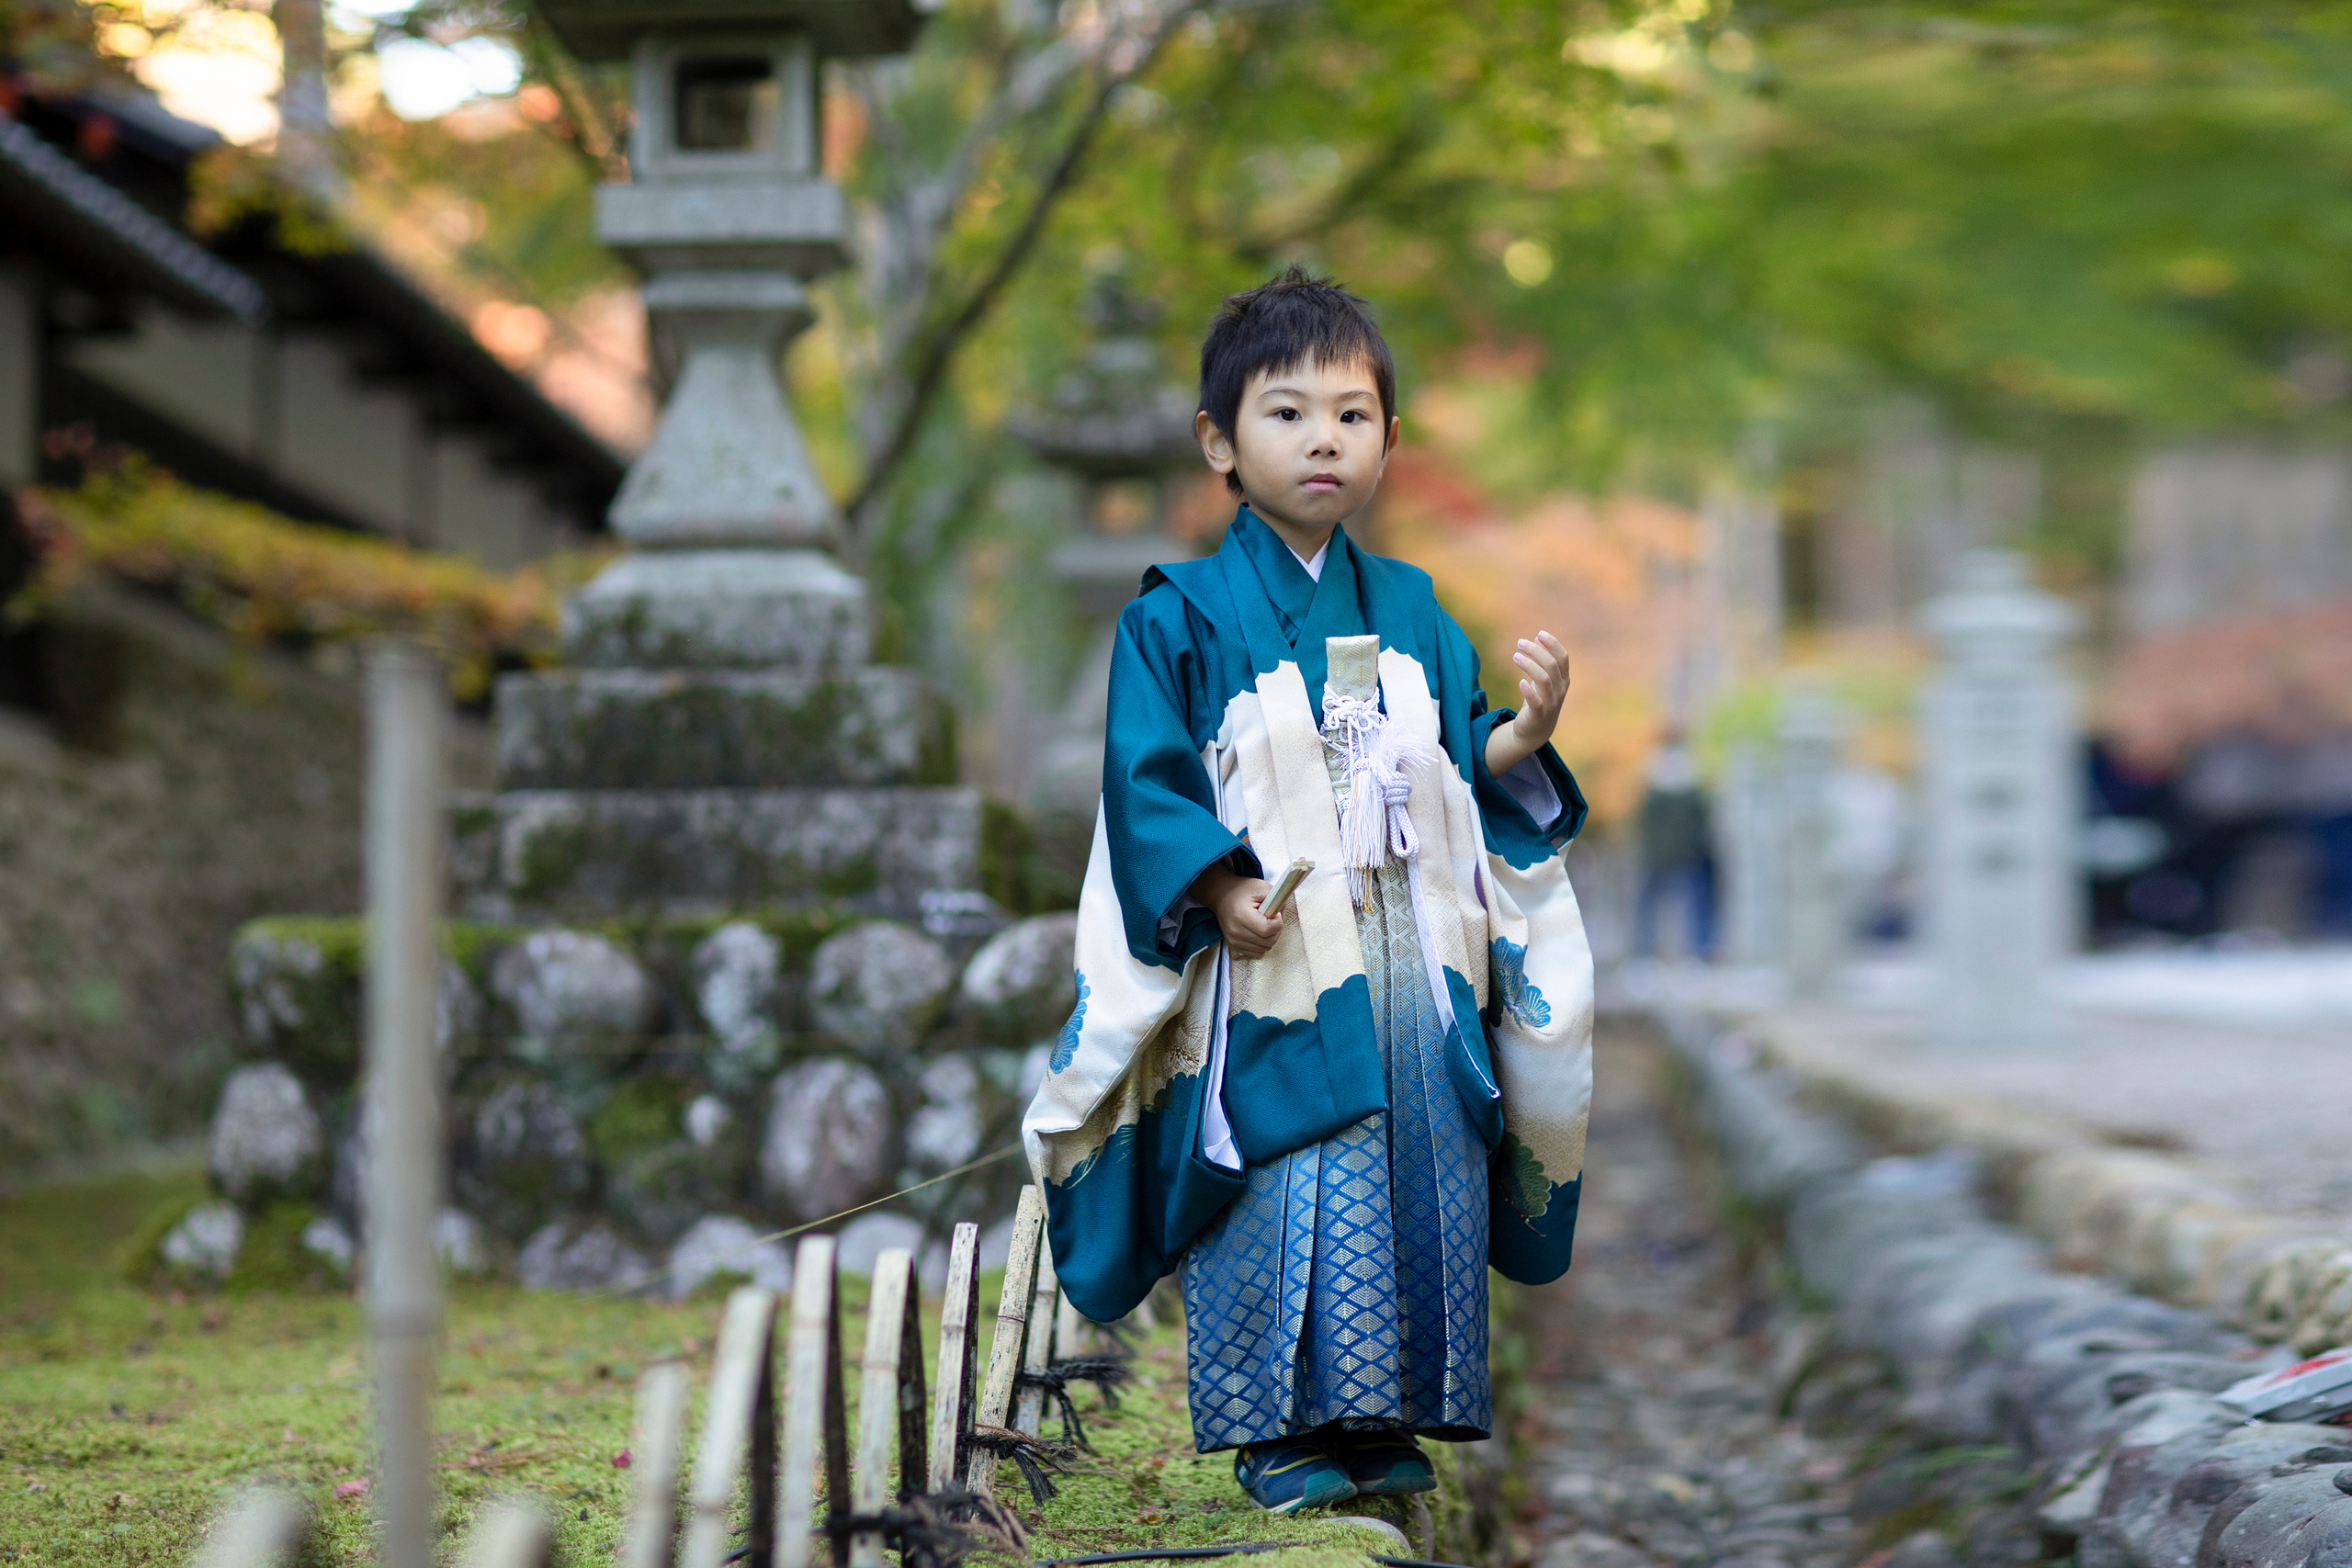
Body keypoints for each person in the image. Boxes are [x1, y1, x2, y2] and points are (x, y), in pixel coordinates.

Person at [1022, 267, 1597, 1515]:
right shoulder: (1177, 612)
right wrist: (1220, 883)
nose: (1323, 437)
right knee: (1288, 1164)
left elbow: (1456, 751)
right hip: (1272, 954)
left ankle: (1388, 1414)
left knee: (1421, 1151)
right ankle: (1279, 1426)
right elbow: (1147, 779)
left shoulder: (1413, 606)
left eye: (1352, 411)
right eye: (1286, 412)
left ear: (1392, 435)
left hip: (1410, 946)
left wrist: (1523, 732)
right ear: (1218, 441)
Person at [1634, 730, 1715, 960]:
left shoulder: (1652, 780)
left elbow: (1644, 823)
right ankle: (1697, 954)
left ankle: (1645, 956)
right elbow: (1701, 823)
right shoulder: (1693, 779)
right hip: (1685, 855)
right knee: (1694, 907)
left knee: (1650, 907)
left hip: (1658, 855)